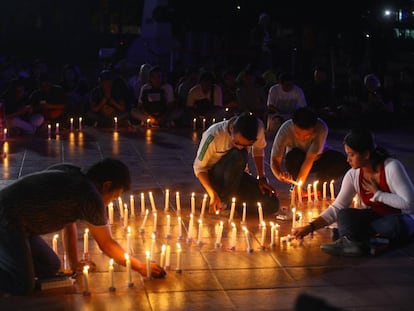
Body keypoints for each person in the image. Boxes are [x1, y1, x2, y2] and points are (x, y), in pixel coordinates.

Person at [0, 158, 166, 295]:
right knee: (22, 286)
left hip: (23, 226)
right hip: (7, 220)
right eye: (113, 197)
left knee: (50, 267)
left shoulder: (72, 172)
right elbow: (106, 244)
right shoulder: (90, 196)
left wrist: (74, 263)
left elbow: (68, 223)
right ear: (106, 185)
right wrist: (141, 267)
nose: (109, 203)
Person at [294, 128, 414, 256]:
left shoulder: (391, 167)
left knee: (396, 225)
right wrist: (310, 227)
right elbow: (337, 207)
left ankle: (354, 240)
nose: (348, 160)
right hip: (373, 219)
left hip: (398, 219)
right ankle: (364, 242)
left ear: (366, 154)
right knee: (345, 214)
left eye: (352, 155)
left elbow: (409, 203)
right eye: (347, 155)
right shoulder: (353, 175)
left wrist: (379, 195)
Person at [193, 112, 279, 214]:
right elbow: (199, 168)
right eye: (237, 143)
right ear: (232, 128)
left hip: (237, 177)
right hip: (215, 178)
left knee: (272, 203)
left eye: (246, 145)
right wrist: (212, 193)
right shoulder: (213, 135)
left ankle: (230, 205)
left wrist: (262, 178)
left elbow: (258, 149)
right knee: (239, 155)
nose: (240, 147)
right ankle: (223, 202)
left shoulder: (258, 129)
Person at [270, 107, 349, 187]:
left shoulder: (321, 127)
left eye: (307, 135)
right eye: (297, 133)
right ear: (293, 124)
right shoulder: (285, 129)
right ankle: (295, 186)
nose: (302, 138)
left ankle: (322, 187)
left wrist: (300, 184)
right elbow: (275, 159)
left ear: (314, 127)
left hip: (318, 159)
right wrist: (279, 175)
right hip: (297, 160)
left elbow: (309, 159)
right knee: (293, 156)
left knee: (341, 161)